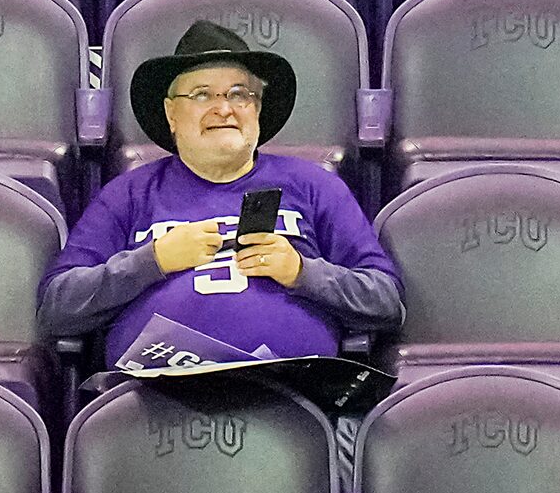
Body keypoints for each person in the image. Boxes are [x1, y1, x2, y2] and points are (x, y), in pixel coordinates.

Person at [39, 20, 402, 366]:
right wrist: (151, 262)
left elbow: (386, 301)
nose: (224, 108)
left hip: (293, 402)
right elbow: (57, 307)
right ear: (171, 114)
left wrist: (303, 273)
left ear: (257, 109)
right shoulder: (127, 194)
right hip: (155, 407)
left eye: (240, 94)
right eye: (201, 94)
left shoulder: (315, 185)